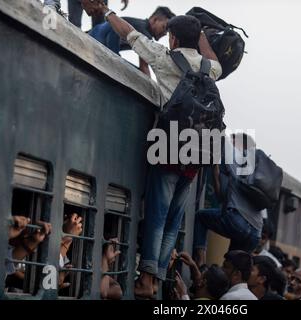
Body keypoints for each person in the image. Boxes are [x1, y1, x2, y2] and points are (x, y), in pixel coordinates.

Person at [81, 0, 222, 299]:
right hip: (198, 152)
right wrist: (202, 37)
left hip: (170, 145)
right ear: (196, 40)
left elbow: (129, 33)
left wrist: (106, 12)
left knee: (158, 215)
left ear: (172, 38)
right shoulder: (211, 69)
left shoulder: (164, 57)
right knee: (174, 219)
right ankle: (156, 279)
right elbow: (211, 56)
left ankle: (146, 278)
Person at [193, 133, 262, 267]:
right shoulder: (257, 170)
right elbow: (223, 197)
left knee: (201, 217)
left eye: (233, 142)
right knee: (232, 268)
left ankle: (200, 262)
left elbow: (220, 134)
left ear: (241, 145)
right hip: (255, 233)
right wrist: (216, 171)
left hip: (239, 222)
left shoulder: (237, 158)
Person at [89, 7, 175, 75]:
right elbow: (144, 68)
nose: (164, 33)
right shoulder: (145, 33)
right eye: (164, 27)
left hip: (93, 35)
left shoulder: (138, 25)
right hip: (97, 40)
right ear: (154, 20)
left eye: (167, 32)